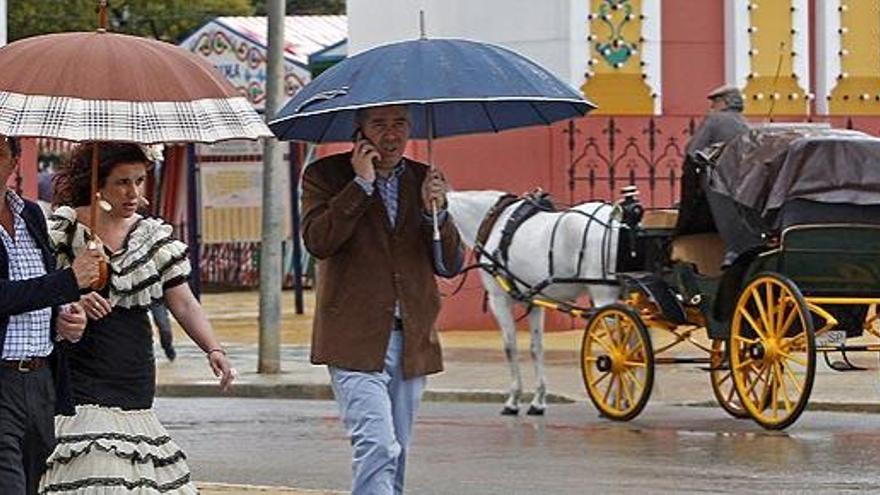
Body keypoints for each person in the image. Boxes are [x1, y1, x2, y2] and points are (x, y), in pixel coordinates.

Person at [39, 143, 235, 494]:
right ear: (98, 185)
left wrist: (213, 349)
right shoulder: (63, 231)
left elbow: (185, 303)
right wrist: (73, 297)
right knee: (93, 464)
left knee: (133, 471)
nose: (133, 192)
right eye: (122, 182)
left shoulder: (153, 237)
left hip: (132, 369)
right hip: (78, 367)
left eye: (139, 181)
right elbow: (40, 292)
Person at [301, 104, 463, 495]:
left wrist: (435, 215)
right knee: (377, 444)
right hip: (353, 339)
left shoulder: (424, 179)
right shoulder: (325, 176)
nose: (391, 135)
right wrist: (359, 186)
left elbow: (450, 264)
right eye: (379, 124)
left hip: (411, 339)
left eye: (400, 124)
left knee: (399, 449)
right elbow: (318, 242)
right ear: (359, 129)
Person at [0, 134, 103, 494]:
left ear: (14, 160)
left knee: (31, 483)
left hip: (40, 379)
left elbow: (40, 288)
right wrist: (69, 280)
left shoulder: (31, 215)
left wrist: (63, 319)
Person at [685, 84, 749, 155]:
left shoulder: (714, 119)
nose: (712, 106)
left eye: (715, 101)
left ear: (725, 101)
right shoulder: (744, 123)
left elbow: (694, 149)